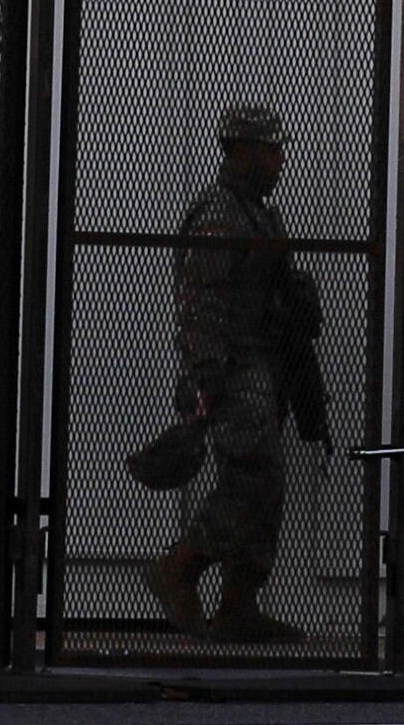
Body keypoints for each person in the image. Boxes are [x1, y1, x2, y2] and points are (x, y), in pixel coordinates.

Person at [146, 101, 327, 644]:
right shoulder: (220, 213)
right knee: (253, 476)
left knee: (267, 483)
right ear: (243, 151)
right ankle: (180, 566)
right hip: (234, 364)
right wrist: (207, 372)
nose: (279, 161)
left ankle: (238, 604)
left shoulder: (257, 213)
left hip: (265, 364)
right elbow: (200, 299)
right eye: (270, 150)